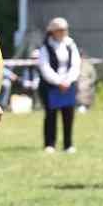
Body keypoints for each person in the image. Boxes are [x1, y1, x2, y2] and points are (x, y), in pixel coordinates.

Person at [37, 17, 82, 153]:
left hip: (69, 84)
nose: (63, 32)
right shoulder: (45, 47)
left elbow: (76, 64)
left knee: (68, 114)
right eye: (60, 30)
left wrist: (68, 80)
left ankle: (68, 144)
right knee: (51, 115)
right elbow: (45, 68)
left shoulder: (70, 44)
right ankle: (49, 144)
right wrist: (58, 81)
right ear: (53, 31)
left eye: (65, 29)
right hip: (50, 86)